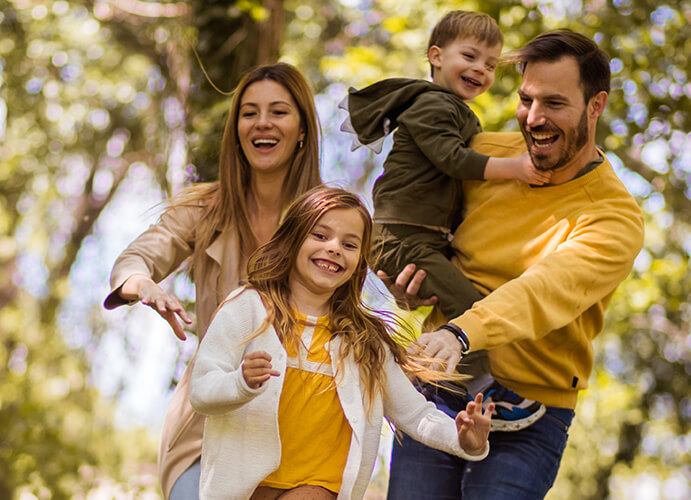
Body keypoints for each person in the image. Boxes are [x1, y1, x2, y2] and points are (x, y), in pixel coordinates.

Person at [380, 29, 647, 500]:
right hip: (441, 387)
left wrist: (461, 332)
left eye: (555, 103)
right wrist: (405, 280)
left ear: (596, 105)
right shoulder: (485, 157)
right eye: (527, 100)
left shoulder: (614, 216)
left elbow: (542, 290)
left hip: (531, 411)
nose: (535, 118)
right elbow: (417, 214)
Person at [104, 62, 328, 499]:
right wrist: (140, 284)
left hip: (300, 428)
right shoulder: (205, 210)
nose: (262, 123)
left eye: (279, 111)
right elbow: (138, 257)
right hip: (211, 425)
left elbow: (373, 295)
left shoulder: (329, 219)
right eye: (250, 113)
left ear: (302, 128)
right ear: (236, 129)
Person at [189, 187, 493, 500]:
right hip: (242, 488)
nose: (334, 248)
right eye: (320, 236)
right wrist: (240, 382)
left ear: (359, 262)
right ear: (291, 239)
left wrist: (464, 441)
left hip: (319, 488)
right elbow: (201, 392)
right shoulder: (246, 308)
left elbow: (415, 414)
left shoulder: (365, 342)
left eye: (349, 244)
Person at [342, 10, 547, 321]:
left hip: (427, 239)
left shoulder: (456, 111)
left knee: (478, 295)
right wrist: (516, 168)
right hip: (402, 237)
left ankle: (455, 363)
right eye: (470, 56)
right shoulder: (432, 104)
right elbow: (453, 159)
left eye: (490, 65)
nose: (481, 69)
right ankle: (474, 370)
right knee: (470, 311)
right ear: (436, 56)